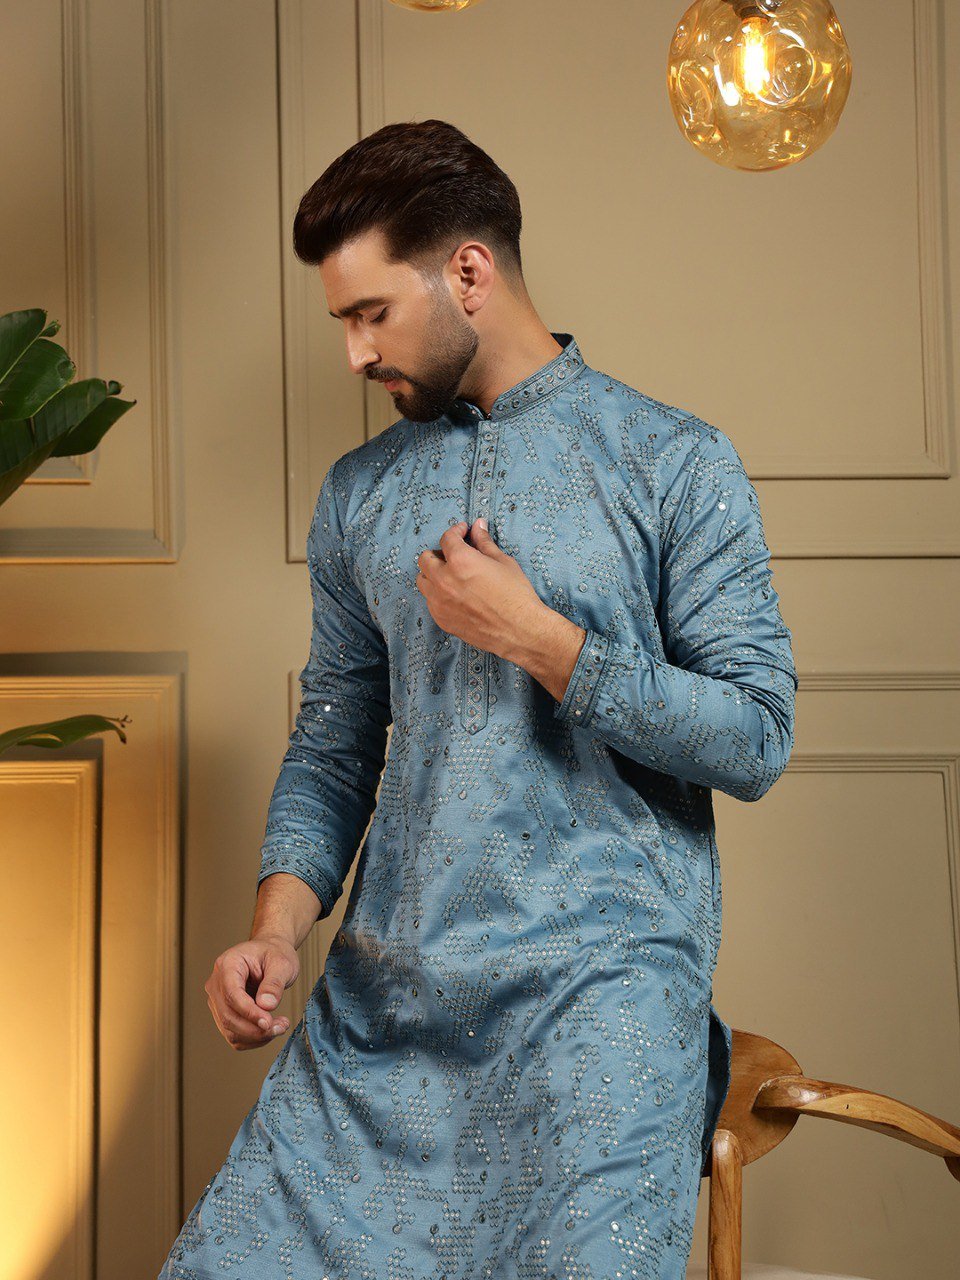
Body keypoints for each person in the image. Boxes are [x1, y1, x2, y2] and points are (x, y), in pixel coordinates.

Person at [160, 118, 797, 1279]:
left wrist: (545, 641)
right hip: (380, 1014)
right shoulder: (359, 493)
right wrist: (275, 931)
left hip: (600, 1009)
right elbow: (336, 738)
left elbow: (755, 737)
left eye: (370, 313)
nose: (354, 354)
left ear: (467, 271)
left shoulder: (672, 460)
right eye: (343, 321)